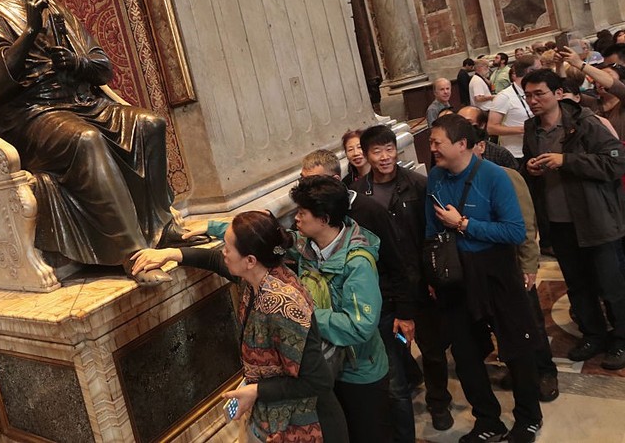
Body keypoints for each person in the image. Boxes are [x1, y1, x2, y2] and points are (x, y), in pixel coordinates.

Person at [0, 0, 193, 280]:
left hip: (82, 102)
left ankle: (161, 226)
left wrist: (73, 62)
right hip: (32, 116)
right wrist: (31, 32)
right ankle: (131, 252)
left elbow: (102, 67)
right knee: (86, 141)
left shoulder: (54, 8)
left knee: (149, 124)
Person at [131, 211, 346, 442]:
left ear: (250, 260)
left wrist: (256, 391)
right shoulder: (255, 277)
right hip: (276, 422)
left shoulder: (283, 306)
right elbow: (213, 260)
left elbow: (318, 381)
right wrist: (171, 253)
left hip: (311, 427)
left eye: (228, 247)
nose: (223, 252)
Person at [427, 114, 542, 443]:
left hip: (495, 270)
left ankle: (529, 418)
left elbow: (515, 230)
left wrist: (463, 224)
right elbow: (430, 228)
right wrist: (432, 274)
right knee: (464, 353)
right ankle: (487, 420)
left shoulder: (494, 176)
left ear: (461, 144)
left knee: (517, 348)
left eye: (438, 142)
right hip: (455, 273)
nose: (432, 147)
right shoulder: (435, 177)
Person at [301, 150, 417, 443]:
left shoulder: (359, 256)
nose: (297, 217)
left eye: (303, 210)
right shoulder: (308, 244)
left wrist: (305, 313)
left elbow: (397, 264)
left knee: (390, 400)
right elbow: (265, 237)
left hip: (362, 360)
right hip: (333, 365)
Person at [351, 126, 454, 433]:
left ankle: (439, 401)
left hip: (419, 280)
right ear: (367, 155)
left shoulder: (417, 185)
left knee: (432, 348)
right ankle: (403, 393)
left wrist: (433, 276)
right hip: (382, 286)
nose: (385, 157)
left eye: (389, 149)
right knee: (395, 351)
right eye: (377, 151)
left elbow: (433, 235)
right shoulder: (358, 193)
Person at [521, 68, 625, 371]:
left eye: (539, 93)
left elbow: (615, 162)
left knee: (610, 283)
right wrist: (532, 169)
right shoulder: (532, 129)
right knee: (578, 285)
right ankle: (593, 334)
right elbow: (536, 168)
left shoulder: (585, 123)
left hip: (595, 218)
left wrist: (567, 160)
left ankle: (620, 339)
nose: (533, 100)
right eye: (528, 95)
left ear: (557, 94)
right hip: (559, 221)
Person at [458, 108, 559, 402]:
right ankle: (520, 371)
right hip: (484, 267)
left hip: (513, 264)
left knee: (529, 321)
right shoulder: (455, 179)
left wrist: (528, 265)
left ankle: (544, 370)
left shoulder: (505, 176)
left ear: (480, 147)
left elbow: (526, 226)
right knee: (502, 324)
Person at [487, 54, 541, 162]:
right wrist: (524, 129)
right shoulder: (504, 97)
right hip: (517, 155)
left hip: (538, 149)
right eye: (539, 70)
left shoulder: (537, 91)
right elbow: (491, 128)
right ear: (530, 72)